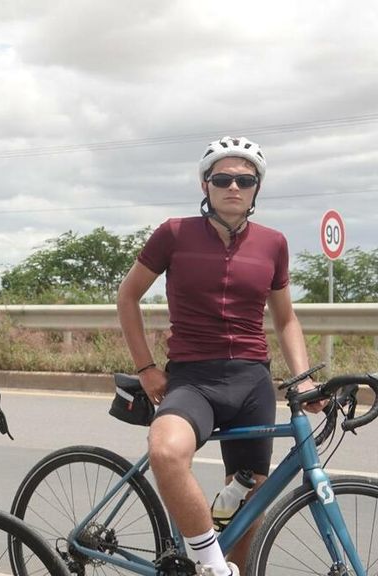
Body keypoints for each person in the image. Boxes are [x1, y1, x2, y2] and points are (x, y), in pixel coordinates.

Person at [117, 137, 321, 576]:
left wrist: (303, 377)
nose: (233, 187)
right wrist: (146, 367)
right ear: (205, 185)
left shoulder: (273, 243)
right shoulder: (174, 233)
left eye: (245, 181)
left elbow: (285, 318)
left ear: (256, 189)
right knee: (166, 452)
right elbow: (127, 296)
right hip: (193, 380)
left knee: (250, 500)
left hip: (251, 381)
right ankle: (209, 562)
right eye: (222, 178)